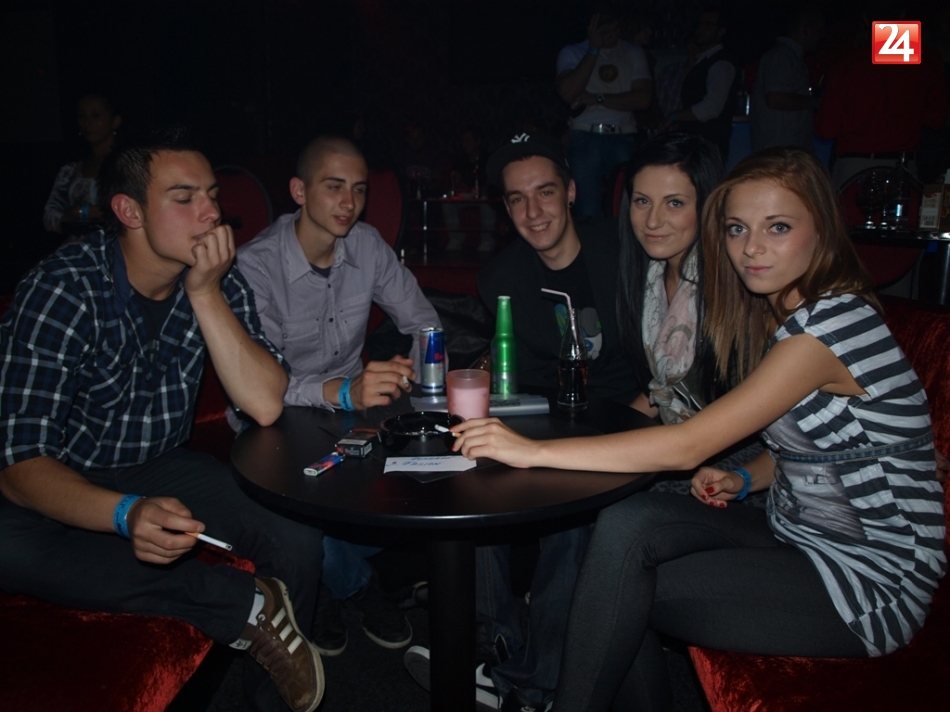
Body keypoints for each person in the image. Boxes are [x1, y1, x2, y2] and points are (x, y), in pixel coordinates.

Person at [452, 148, 947, 711]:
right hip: (795, 533)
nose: (751, 248)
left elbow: (689, 443)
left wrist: (531, 452)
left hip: (869, 581)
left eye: (778, 227)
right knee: (625, 526)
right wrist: (747, 477)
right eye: (737, 229)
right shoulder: (778, 312)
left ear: (823, 229)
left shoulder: (828, 326)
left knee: (616, 587)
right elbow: (811, 443)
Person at [1, 128, 325, 712]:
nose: (212, 212)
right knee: (8, 545)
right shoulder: (64, 288)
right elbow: (22, 462)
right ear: (129, 212)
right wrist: (125, 513)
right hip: (60, 471)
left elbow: (265, 403)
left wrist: (205, 295)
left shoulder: (217, 278)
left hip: (158, 463)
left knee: (295, 533)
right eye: (184, 198)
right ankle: (242, 605)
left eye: (212, 195)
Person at [403, 132, 639, 712]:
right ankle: (497, 644)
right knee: (474, 477)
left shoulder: (626, 249)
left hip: (627, 423)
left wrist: (634, 419)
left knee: (573, 518)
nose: (533, 211)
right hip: (549, 420)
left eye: (545, 192)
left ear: (571, 191)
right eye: (517, 199)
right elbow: (520, 379)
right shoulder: (501, 278)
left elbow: (664, 358)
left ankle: (535, 685)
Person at [236, 135, 438, 657]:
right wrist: (342, 390)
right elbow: (262, 388)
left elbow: (425, 324)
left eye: (359, 189)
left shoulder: (366, 245)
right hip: (272, 421)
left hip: (354, 413)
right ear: (299, 191)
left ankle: (325, 573)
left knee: (422, 486)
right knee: (304, 529)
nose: (349, 202)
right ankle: (357, 586)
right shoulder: (255, 265)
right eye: (334, 187)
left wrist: (414, 370)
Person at [617, 132, 725, 424]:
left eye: (674, 203)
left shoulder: (733, 285)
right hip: (679, 435)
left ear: (707, 205)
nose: (653, 221)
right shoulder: (649, 277)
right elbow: (663, 390)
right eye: (642, 201)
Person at [814, 2, 950, 186]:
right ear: (902, 15)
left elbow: (825, 129)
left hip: (854, 169)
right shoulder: (927, 63)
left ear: (865, 19)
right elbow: (937, 119)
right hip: (903, 168)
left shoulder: (847, 66)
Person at [556, 3, 653, 217]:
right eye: (606, 31)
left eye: (616, 29)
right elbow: (568, 93)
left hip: (622, 136)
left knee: (625, 207)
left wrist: (597, 98)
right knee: (587, 210)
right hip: (584, 136)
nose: (613, 36)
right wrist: (594, 49)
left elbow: (643, 98)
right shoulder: (572, 52)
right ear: (592, 29)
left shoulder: (633, 52)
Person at [43, 92, 122, 233]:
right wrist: (72, 215)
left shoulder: (127, 167)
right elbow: (49, 217)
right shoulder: (70, 170)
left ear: (115, 121)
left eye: (96, 116)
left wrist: (87, 212)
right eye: (82, 116)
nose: (87, 123)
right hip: (75, 243)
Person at [669, 8, 739, 163]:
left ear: (721, 32)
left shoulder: (721, 63)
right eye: (700, 24)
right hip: (696, 145)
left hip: (708, 146)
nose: (701, 29)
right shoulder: (704, 60)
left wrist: (673, 116)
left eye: (708, 25)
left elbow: (711, 107)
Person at [750, 9, 824, 152]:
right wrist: (816, 102)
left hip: (783, 150)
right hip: (780, 151)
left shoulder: (789, 57)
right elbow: (776, 99)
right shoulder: (782, 56)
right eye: (819, 30)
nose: (822, 35)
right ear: (806, 30)